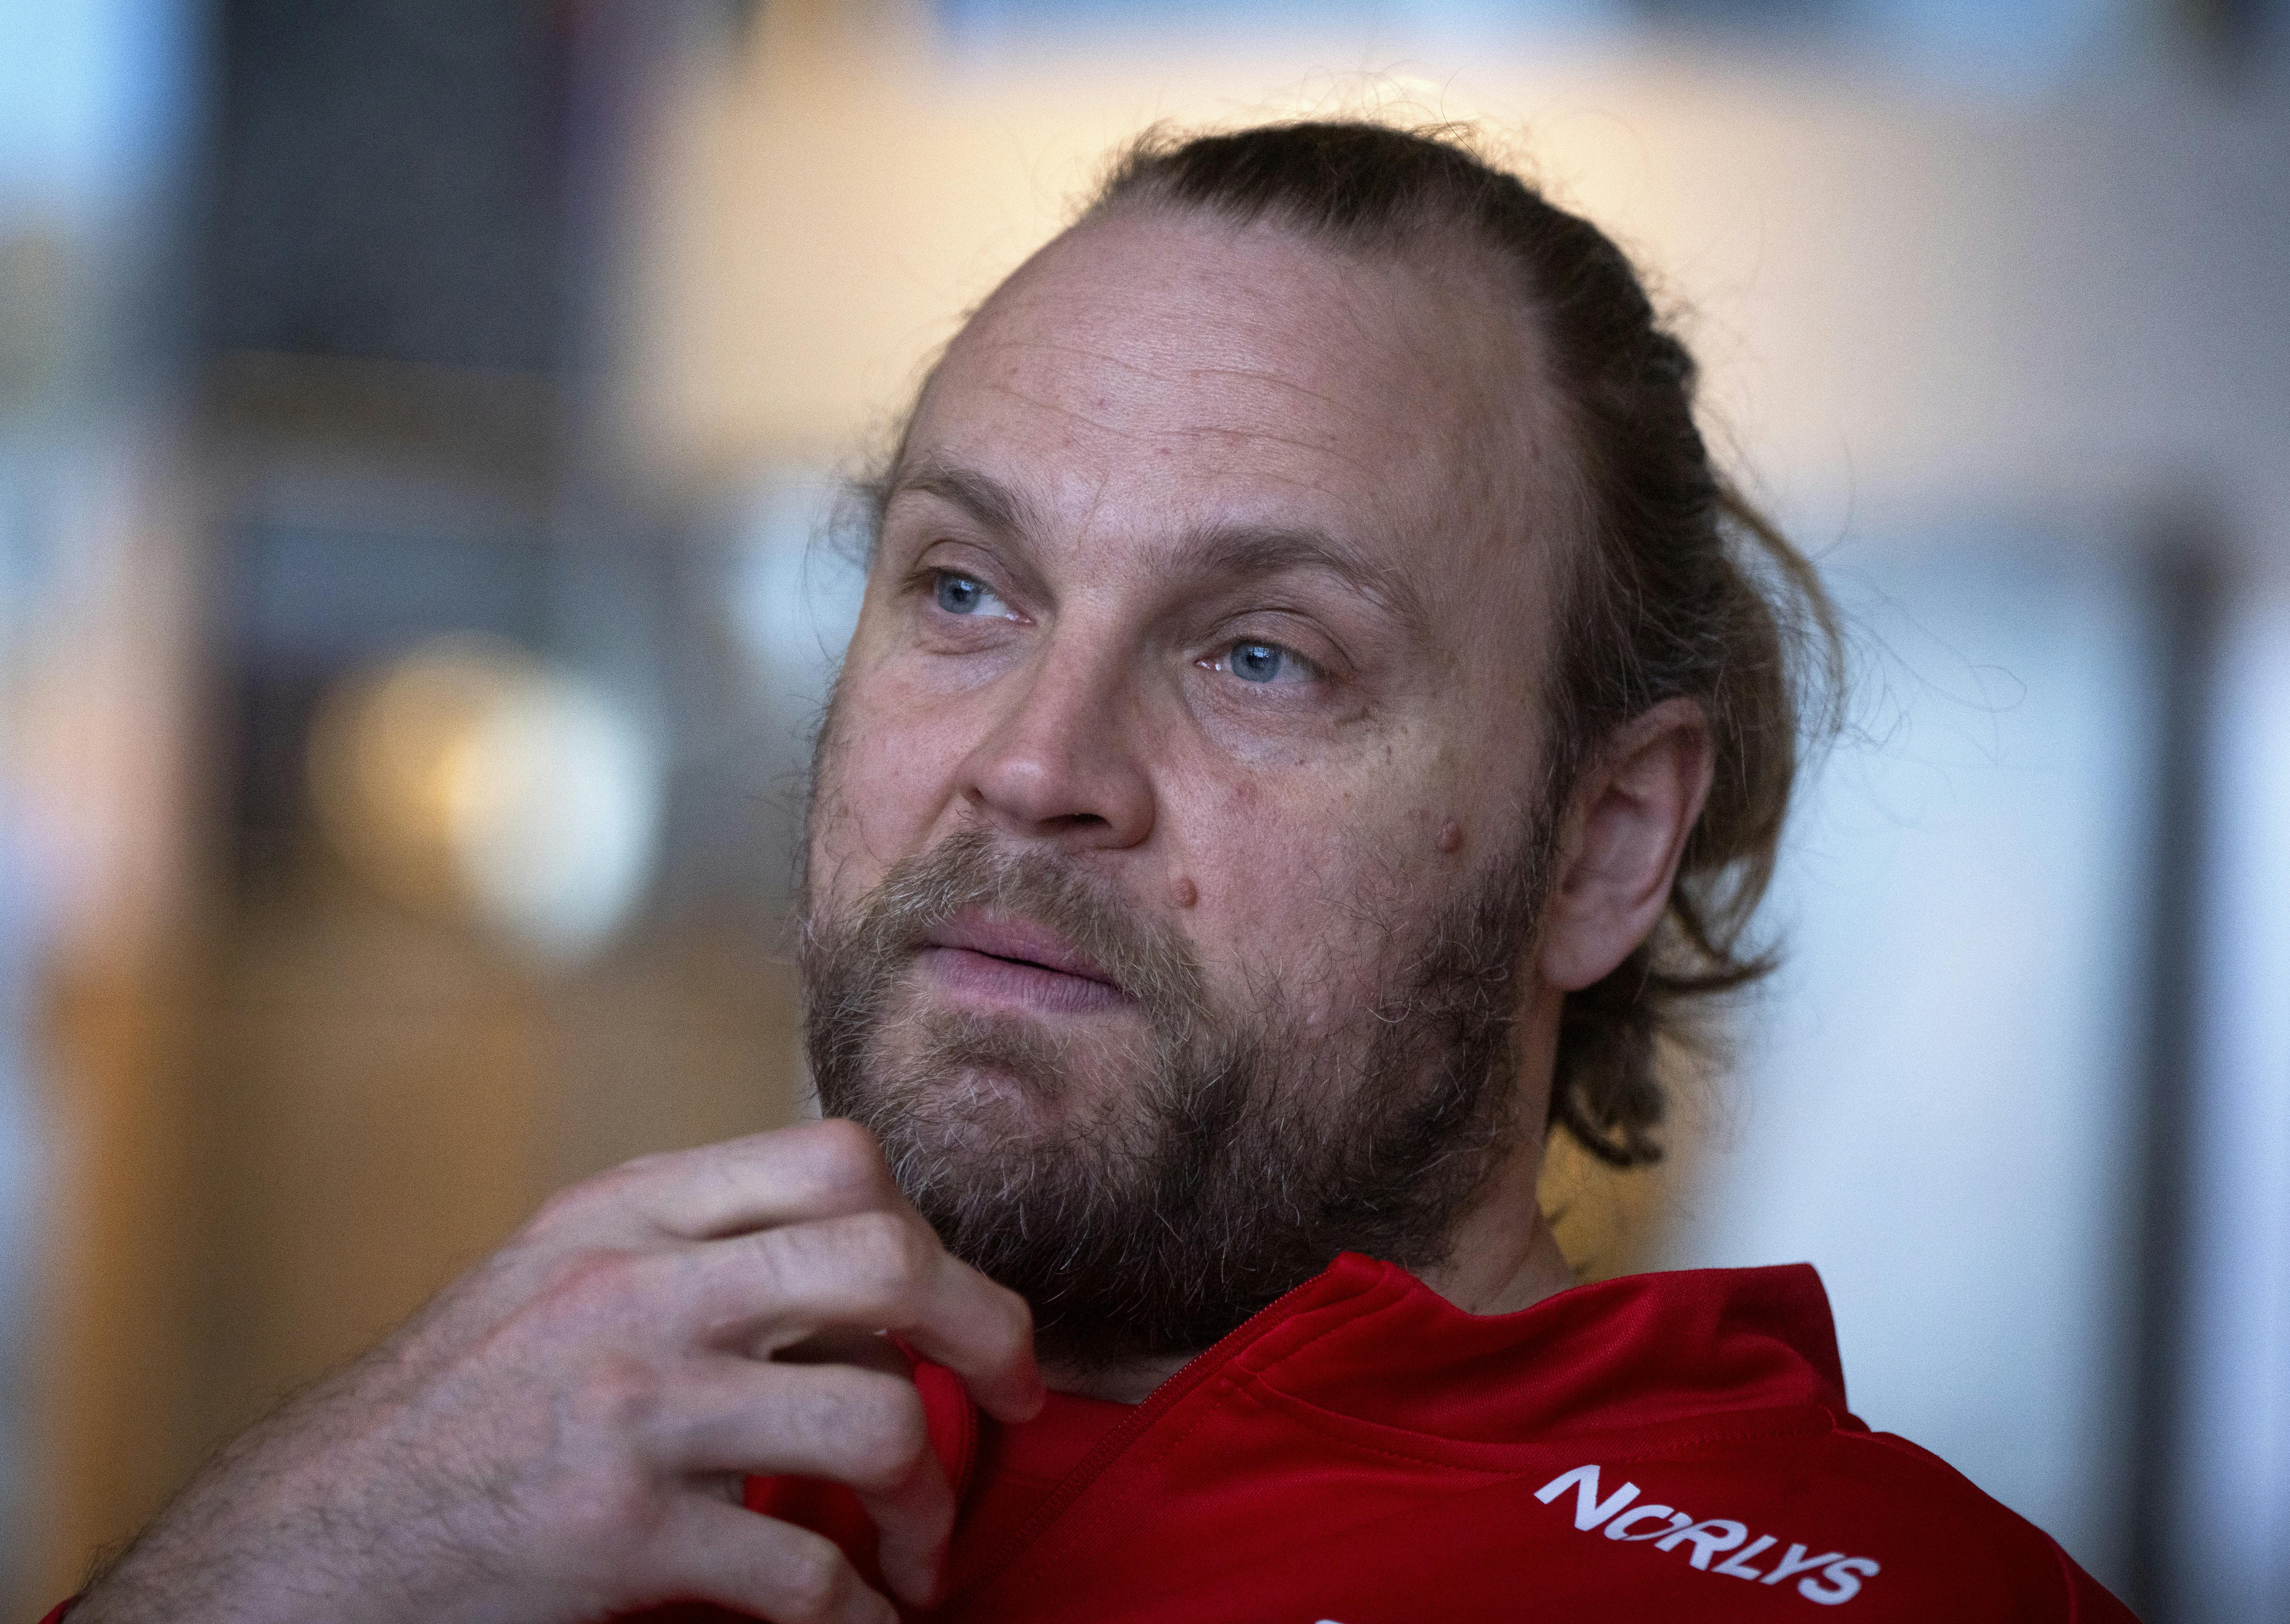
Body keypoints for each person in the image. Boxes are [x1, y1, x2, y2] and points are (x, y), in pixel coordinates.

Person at [61, 121, 2136, 1623]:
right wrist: (293, 1560)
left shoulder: (1869, 1593)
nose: (1033, 767)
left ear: (1601, 846)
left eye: (1259, 654)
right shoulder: (541, 1472)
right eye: (962, 588)